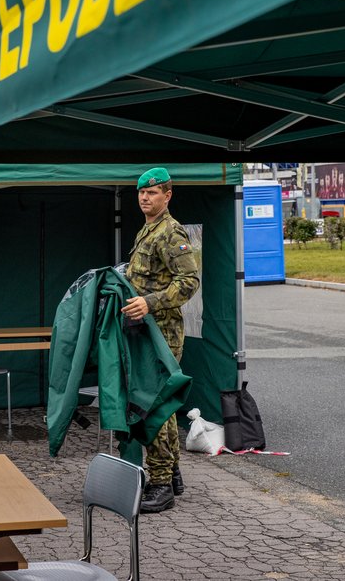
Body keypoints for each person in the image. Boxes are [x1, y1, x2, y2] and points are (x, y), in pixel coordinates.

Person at [121, 167, 200, 513]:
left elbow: (189, 281)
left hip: (163, 334)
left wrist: (149, 302)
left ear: (167, 196)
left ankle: (161, 484)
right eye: (141, 192)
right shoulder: (147, 229)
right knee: (160, 405)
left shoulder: (171, 232)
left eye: (152, 193)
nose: (144, 197)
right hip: (146, 332)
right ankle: (173, 472)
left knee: (156, 406)